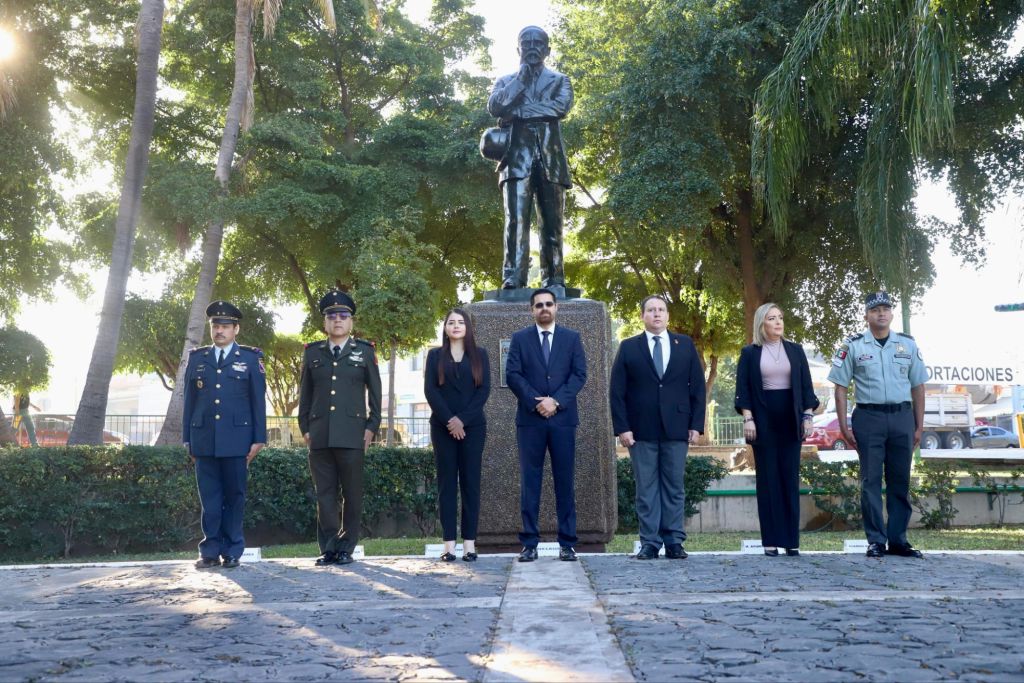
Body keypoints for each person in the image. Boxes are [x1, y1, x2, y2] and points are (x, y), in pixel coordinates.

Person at [828, 291, 928, 559]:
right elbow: (840, 388)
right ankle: (875, 540)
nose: (881, 313)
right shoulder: (853, 346)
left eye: (885, 308)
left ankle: (898, 540)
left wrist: (919, 426)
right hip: (868, 418)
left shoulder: (907, 345)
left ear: (892, 313)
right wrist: (843, 426)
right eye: (875, 310)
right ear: (866, 316)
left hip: (902, 417)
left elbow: (918, 386)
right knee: (870, 480)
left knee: (900, 480)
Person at [610, 295, 706, 560]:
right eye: (651, 310)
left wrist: (696, 425)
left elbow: (698, 388)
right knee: (646, 489)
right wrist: (622, 428)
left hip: (678, 427)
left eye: (661, 310)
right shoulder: (629, 347)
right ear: (642, 315)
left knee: (674, 487)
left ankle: (674, 541)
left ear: (667, 315)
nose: (656, 314)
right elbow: (617, 392)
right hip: (640, 430)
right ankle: (650, 542)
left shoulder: (684, 345)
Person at [298, 289, 382, 567]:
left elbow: (376, 394)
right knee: (325, 495)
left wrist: (372, 427)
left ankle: (347, 547)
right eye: (332, 316)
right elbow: (305, 395)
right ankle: (329, 547)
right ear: (325, 322)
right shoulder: (312, 353)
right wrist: (305, 427)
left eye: (343, 316)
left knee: (352, 494)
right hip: (319, 434)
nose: (337, 320)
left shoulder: (365, 352)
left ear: (351, 321)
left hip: (353, 434)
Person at [487, 26, 574, 290]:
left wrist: (518, 113)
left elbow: (560, 107)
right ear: (518, 49)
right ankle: (513, 276)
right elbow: (495, 107)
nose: (532, 47)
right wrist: (520, 82)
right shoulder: (506, 82)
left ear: (547, 49)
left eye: (538, 43)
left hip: (551, 159)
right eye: (527, 43)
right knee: (515, 221)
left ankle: (554, 278)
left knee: (552, 223)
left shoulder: (560, 80)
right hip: (515, 159)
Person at [182, 301, 267, 570]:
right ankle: (210, 550)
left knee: (234, 497)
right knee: (210, 499)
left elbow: (258, 402)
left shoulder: (250, 359)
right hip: (204, 439)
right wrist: (187, 438)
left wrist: (259, 438)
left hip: (237, 440)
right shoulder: (198, 358)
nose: (219, 330)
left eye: (225, 326)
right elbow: (189, 401)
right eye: (215, 326)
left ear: (235, 329)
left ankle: (232, 550)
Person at [504, 288, 587, 561]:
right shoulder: (520, 339)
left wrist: (556, 401)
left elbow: (579, 374)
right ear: (532, 310)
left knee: (565, 481)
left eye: (548, 304)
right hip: (530, 421)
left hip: (563, 421)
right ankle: (529, 544)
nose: (544, 308)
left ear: (556, 307)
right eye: (539, 305)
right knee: (530, 483)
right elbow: (513, 374)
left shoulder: (572, 338)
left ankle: (567, 544)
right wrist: (536, 401)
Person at [734, 303, 819, 557]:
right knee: (768, 480)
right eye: (772, 318)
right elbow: (743, 389)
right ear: (762, 323)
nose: (778, 322)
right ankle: (770, 540)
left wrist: (807, 416)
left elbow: (806, 387)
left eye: (780, 317)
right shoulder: (750, 353)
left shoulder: (795, 350)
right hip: (762, 422)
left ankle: (791, 541)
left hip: (791, 420)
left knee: (789, 478)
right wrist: (748, 418)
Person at [424, 309, 492, 562]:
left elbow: (484, 390)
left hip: (473, 428)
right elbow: (431, 390)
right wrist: (450, 421)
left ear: (468, 327)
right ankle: (449, 545)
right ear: (445, 328)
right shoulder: (435, 356)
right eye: (451, 322)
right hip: (442, 428)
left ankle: (470, 544)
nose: (455, 326)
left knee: (471, 483)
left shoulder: (480, 355)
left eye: (460, 322)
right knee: (447, 484)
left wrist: (462, 420)